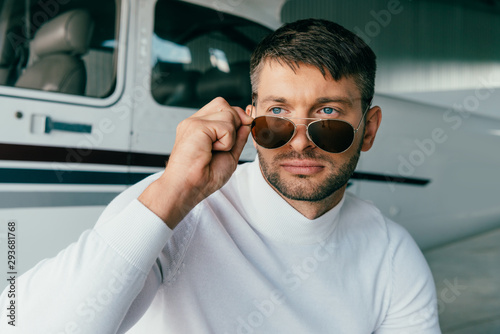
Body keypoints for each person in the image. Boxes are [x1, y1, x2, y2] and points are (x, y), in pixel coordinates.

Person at [1, 18, 440, 333]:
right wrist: (174, 192)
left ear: (370, 130)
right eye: (278, 114)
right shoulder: (171, 208)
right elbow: (21, 324)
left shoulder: (394, 256)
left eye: (328, 114)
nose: (301, 142)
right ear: (250, 121)